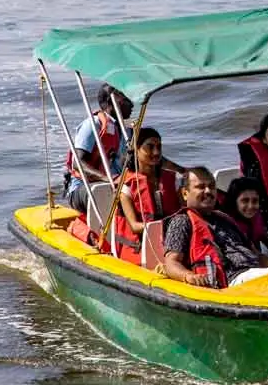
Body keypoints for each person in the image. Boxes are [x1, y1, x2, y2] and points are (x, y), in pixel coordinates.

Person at [163, 167, 268, 288]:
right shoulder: (182, 221)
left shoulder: (225, 219)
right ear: (185, 193)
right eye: (201, 187)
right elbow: (171, 263)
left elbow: (258, 256)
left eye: (212, 186)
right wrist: (188, 276)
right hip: (231, 281)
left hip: (253, 275)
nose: (208, 191)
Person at [109, 127, 181, 264]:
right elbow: (134, 226)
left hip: (172, 243)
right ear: (136, 150)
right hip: (140, 250)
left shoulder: (172, 180)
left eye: (159, 147)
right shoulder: (126, 186)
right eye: (150, 147)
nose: (156, 152)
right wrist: (166, 225)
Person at [63, 83, 132, 215]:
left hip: (115, 185)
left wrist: (179, 170)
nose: (132, 104)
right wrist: (108, 179)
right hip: (83, 187)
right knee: (103, 194)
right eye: (126, 99)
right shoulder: (93, 124)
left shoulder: (126, 131)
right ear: (111, 101)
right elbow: (77, 164)